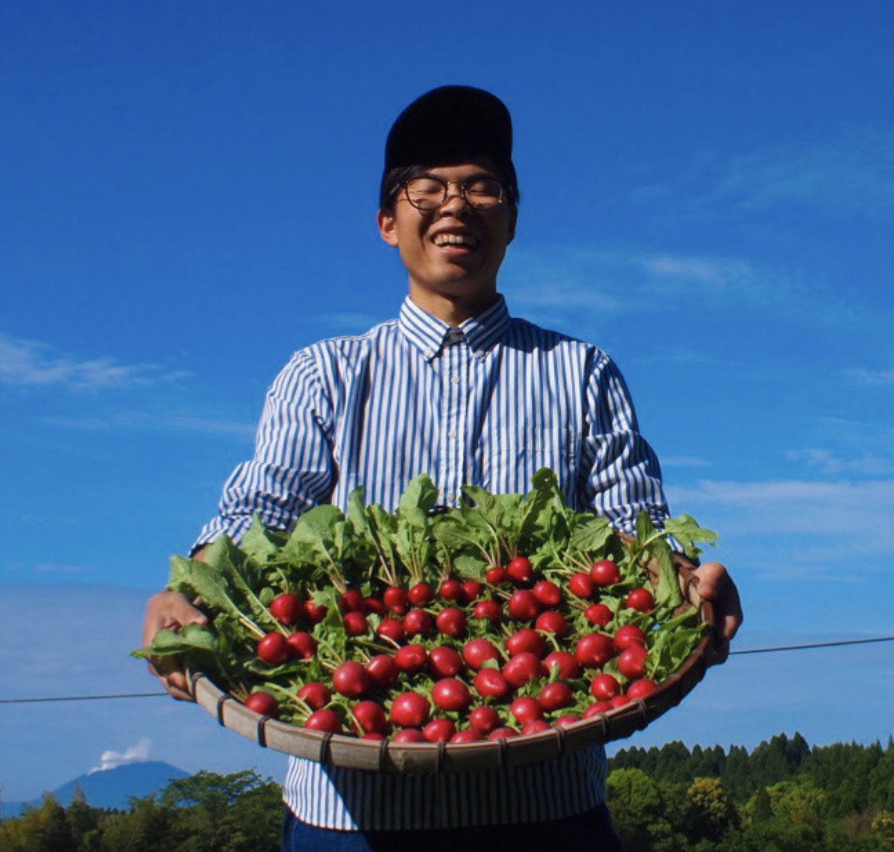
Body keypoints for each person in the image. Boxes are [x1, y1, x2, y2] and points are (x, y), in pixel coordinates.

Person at [143, 85, 743, 852]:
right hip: (354, 809)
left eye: (481, 186)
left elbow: (637, 530)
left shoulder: (580, 371)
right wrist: (188, 583)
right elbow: (261, 513)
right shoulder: (324, 374)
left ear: (513, 219)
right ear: (388, 223)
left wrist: (686, 576)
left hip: (546, 798)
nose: (455, 204)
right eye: (426, 189)